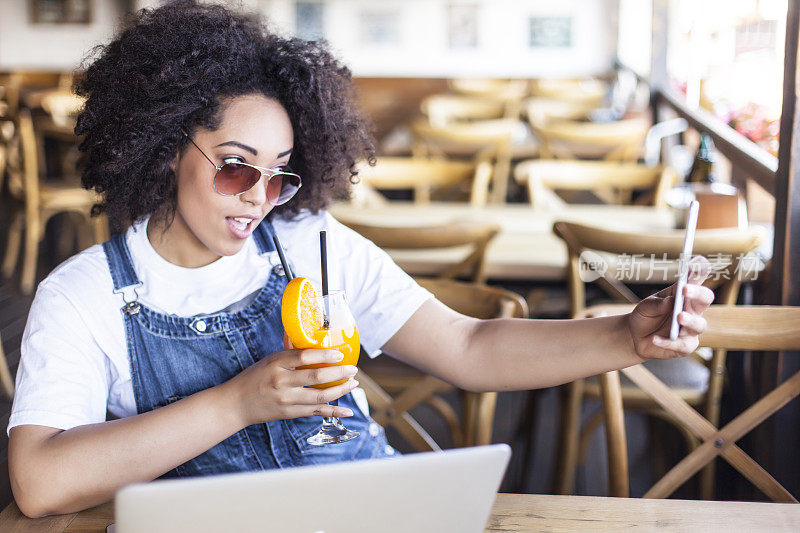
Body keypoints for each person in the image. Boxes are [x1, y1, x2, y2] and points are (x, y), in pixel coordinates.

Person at [7, 1, 714, 518]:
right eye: (234, 168)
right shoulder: (85, 294)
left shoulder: (311, 243)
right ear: (165, 147)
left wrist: (625, 334)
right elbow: (39, 482)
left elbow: (470, 345)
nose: (259, 199)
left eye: (279, 175)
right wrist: (239, 402)